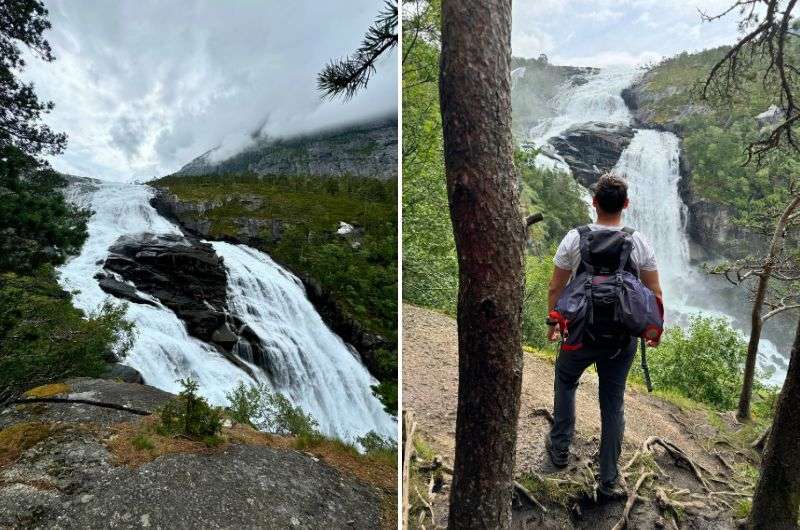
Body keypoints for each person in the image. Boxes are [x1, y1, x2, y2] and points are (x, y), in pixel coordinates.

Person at [544, 173, 663, 498]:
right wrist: (654, 330)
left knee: (566, 381)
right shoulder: (638, 241)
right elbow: (654, 291)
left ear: (593, 202)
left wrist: (553, 323)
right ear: (626, 204)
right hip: (621, 338)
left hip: (579, 332)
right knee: (613, 403)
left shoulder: (574, 238)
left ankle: (559, 450)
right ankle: (609, 478)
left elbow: (557, 286)